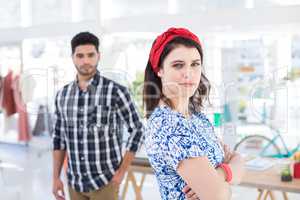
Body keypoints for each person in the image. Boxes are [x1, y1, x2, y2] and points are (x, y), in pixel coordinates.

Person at [143, 27, 245, 200]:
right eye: (178, 65)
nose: (188, 73)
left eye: (195, 64)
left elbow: (237, 160)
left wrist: (220, 174)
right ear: (159, 70)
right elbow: (219, 196)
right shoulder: (169, 126)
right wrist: (230, 173)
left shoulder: (196, 117)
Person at [52, 32, 144, 200]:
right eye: (80, 55)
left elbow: (138, 130)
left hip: (105, 182)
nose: (85, 61)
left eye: (90, 55)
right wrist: (55, 177)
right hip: (75, 184)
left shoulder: (116, 91)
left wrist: (121, 172)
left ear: (98, 56)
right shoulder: (62, 95)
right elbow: (59, 139)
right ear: (72, 57)